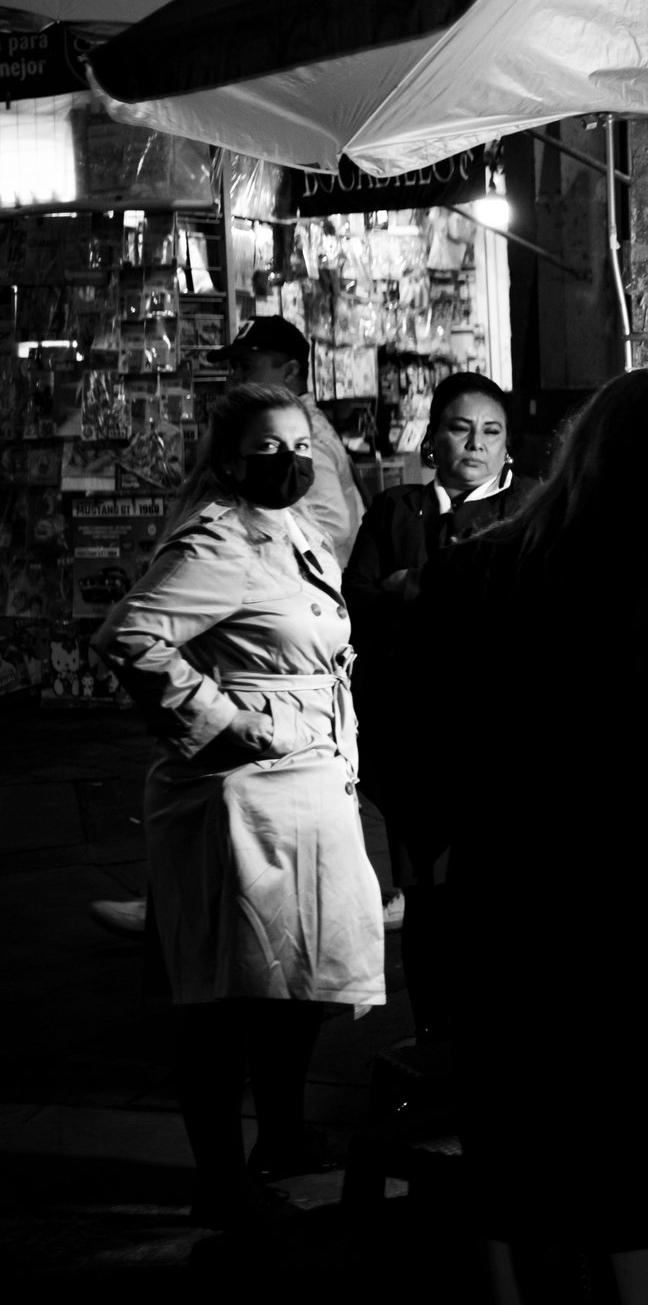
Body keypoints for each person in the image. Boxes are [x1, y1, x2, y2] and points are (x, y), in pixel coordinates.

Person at [411, 370, 648, 1305]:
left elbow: (423, 755)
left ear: (577, 456)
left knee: (518, 1135)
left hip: (513, 902)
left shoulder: (477, 570)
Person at [92, 383, 385, 1229]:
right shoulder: (218, 540)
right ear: (229, 460)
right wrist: (228, 723)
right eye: (268, 448)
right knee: (227, 995)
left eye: (300, 446)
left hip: (306, 784)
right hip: (241, 798)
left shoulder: (291, 528)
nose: (289, 462)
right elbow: (132, 636)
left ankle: (283, 1138)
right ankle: (220, 1179)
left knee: (296, 981)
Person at [343, 372, 537, 1040]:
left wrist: (413, 589)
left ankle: (492, 1037)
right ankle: (433, 1037)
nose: (476, 444)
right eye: (461, 428)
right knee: (426, 901)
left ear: (507, 444)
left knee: (496, 896)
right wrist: (410, 596)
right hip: (412, 736)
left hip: (497, 738)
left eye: (491, 431)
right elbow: (356, 600)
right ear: (433, 439)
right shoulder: (396, 508)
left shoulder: (532, 508)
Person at [205, 316, 365, 561]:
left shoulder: (301, 434)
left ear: (290, 371)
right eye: (233, 367)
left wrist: (255, 554)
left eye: (246, 366)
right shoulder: (287, 426)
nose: (235, 378)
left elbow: (331, 524)